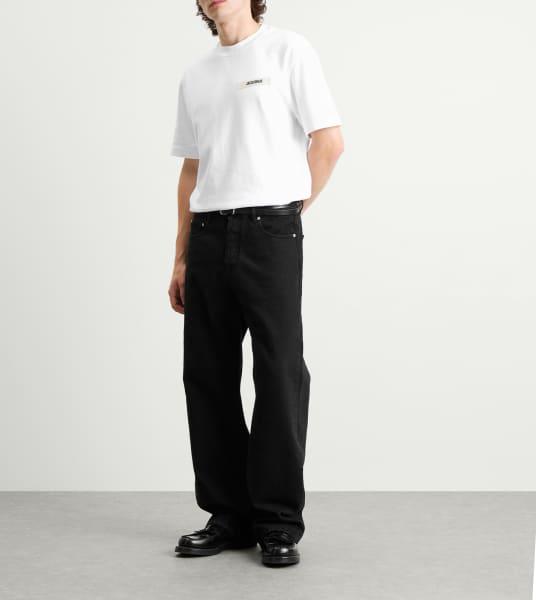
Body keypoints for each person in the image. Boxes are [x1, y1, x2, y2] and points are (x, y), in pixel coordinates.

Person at [168, 0, 344, 567]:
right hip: (208, 236)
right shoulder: (196, 75)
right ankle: (229, 514)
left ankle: (276, 521)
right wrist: (180, 257)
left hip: (271, 231)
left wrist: (288, 209)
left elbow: (329, 141)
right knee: (207, 375)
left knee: (278, 372)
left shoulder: (288, 50)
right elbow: (192, 168)